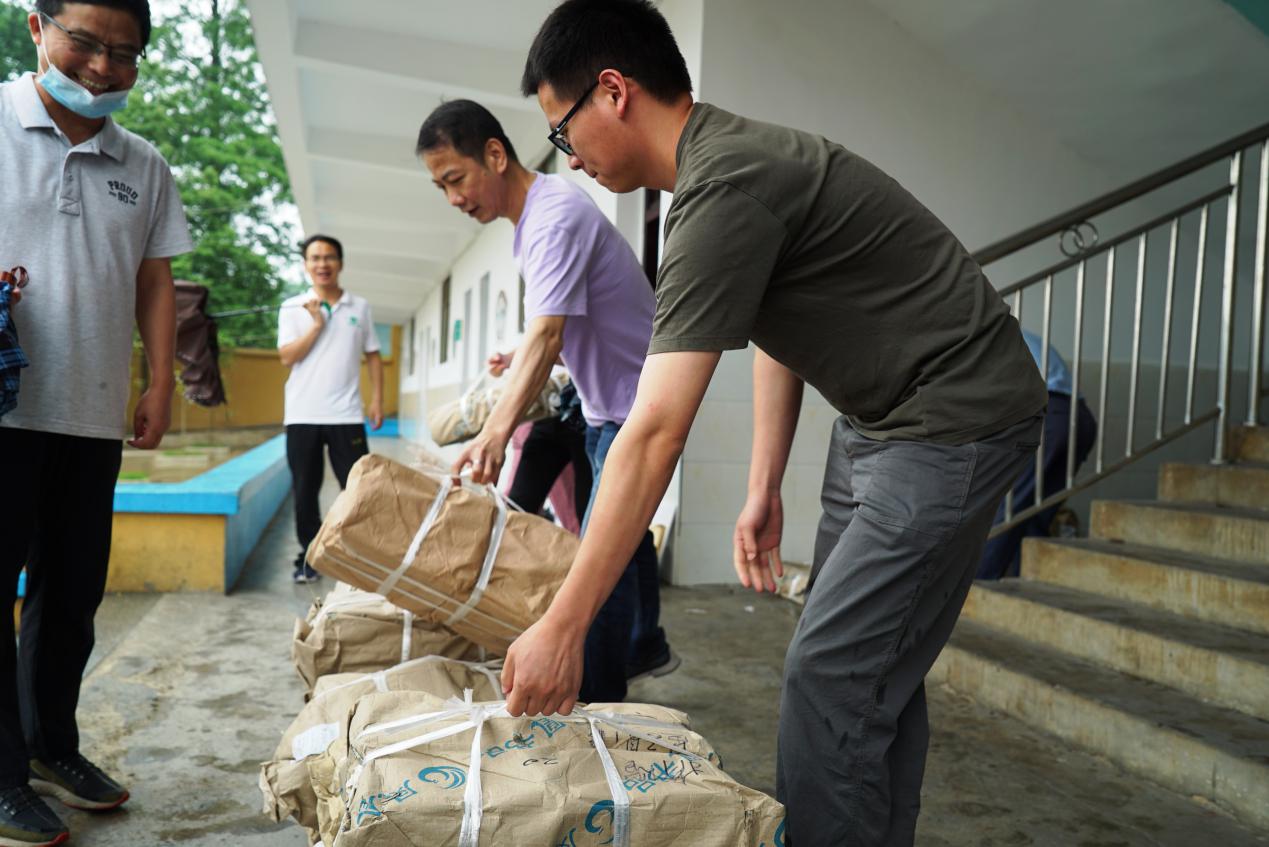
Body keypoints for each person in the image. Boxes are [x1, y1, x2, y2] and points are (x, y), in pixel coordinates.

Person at [502, 2, 1048, 845]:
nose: (568, 159)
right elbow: (776, 333)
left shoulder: (725, 184)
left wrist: (565, 623)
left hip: (952, 420)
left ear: (613, 91)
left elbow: (652, 431)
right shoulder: (719, 177)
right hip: (878, 423)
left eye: (563, 134)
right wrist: (761, 484)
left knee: (834, 674)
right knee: (864, 678)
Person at [0, 1, 193, 843]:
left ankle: (51, 746)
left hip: (88, 411)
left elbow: (155, 281)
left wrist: (158, 380)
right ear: (37, 27)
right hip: (4, 408)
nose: (103, 67)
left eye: (125, 53)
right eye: (85, 41)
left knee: (72, 594)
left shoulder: (143, 164)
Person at [417, 98, 676, 701]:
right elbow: (566, 332)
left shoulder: (552, 215)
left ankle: (601, 705)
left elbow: (549, 330)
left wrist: (492, 433)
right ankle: (645, 646)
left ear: (496, 155)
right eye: (440, 188)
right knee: (627, 545)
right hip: (609, 408)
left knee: (598, 570)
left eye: (456, 178)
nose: (454, 198)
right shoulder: (534, 224)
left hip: (632, 414)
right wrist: (526, 359)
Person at [278, 234, 384, 584]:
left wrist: (377, 400)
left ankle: (360, 555)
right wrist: (317, 325)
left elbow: (372, 356)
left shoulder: (360, 307)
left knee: (357, 489)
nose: (322, 264)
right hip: (302, 415)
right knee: (305, 491)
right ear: (306, 265)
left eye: (329, 257)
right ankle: (309, 558)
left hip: (347, 416)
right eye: (315, 258)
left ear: (340, 263)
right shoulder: (293, 307)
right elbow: (287, 357)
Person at [977, 329, 1098, 579]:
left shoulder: (984, 337)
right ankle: (1028, 585)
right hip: (1080, 419)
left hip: (1047, 417)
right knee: (1034, 516)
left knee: (1008, 510)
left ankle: (978, 588)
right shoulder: (1013, 332)